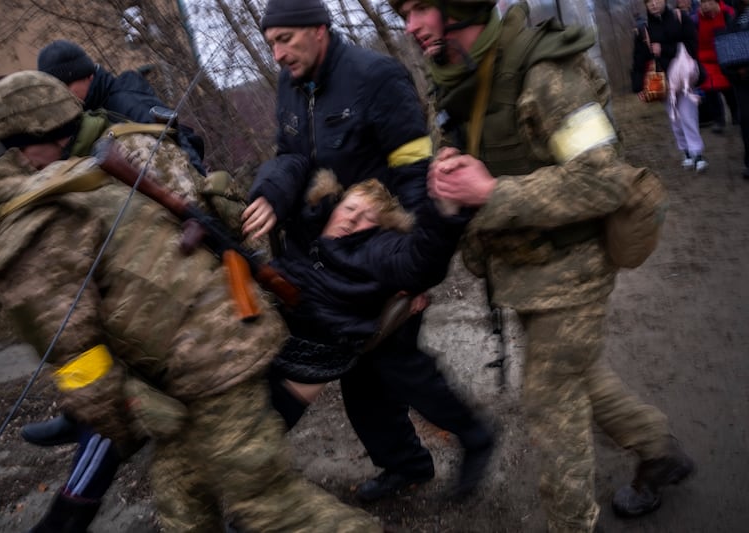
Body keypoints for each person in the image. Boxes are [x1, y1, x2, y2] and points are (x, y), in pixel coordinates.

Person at [0, 70, 382, 533]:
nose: (19, 164)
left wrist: (119, 422)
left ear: (37, 138)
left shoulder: (116, 156)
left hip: (211, 344)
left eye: (17, 150)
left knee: (271, 507)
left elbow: (190, 227)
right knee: (181, 494)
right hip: (188, 353)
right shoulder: (75, 173)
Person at [390, 0, 696, 531]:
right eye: (402, 12)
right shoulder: (457, 81)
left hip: (571, 271)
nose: (409, 25)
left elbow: (604, 179)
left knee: (551, 408)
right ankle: (657, 448)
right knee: (582, 377)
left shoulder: (545, 71)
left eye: (419, 7)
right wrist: (447, 180)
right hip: (523, 275)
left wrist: (490, 191)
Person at [245, 0, 496, 501]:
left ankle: (475, 436)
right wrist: (270, 192)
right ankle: (406, 465)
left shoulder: (376, 77)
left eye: (285, 40)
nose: (277, 54)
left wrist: (415, 277)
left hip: (380, 254)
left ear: (318, 29)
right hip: (325, 251)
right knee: (362, 382)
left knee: (396, 367)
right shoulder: (289, 84)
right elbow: (289, 157)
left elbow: (413, 177)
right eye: (270, 43)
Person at [267, 171, 471, 421]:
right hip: (262, 332)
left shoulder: (374, 252)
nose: (352, 219)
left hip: (307, 357)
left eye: (367, 217)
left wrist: (445, 212)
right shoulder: (306, 225)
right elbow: (288, 165)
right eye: (350, 208)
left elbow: (419, 262)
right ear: (336, 205)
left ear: (379, 229)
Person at [37, 39, 207, 175]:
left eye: (66, 86)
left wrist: (202, 189)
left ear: (87, 75)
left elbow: (177, 145)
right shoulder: (89, 114)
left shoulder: (124, 101)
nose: (63, 96)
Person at [633, 0, 709, 171]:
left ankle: (697, 153)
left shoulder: (680, 17)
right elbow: (638, 59)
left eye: (656, 0)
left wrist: (665, 49)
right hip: (662, 81)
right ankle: (686, 152)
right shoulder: (644, 29)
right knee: (675, 118)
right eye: (649, 2)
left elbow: (692, 45)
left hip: (684, 78)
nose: (653, 4)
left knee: (688, 115)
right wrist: (638, 86)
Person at [697, 0, 737, 133]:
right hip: (706, 60)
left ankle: (736, 115)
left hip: (726, 57)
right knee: (710, 90)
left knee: (729, 89)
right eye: (703, 3)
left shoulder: (727, 13)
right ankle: (718, 120)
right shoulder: (697, 19)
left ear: (716, 3)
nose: (706, 6)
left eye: (709, 2)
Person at [723, 0, 749, 177]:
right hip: (742, 81)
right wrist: (733, 71)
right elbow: (726, 50)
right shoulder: (733, 20)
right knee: (746, 120)